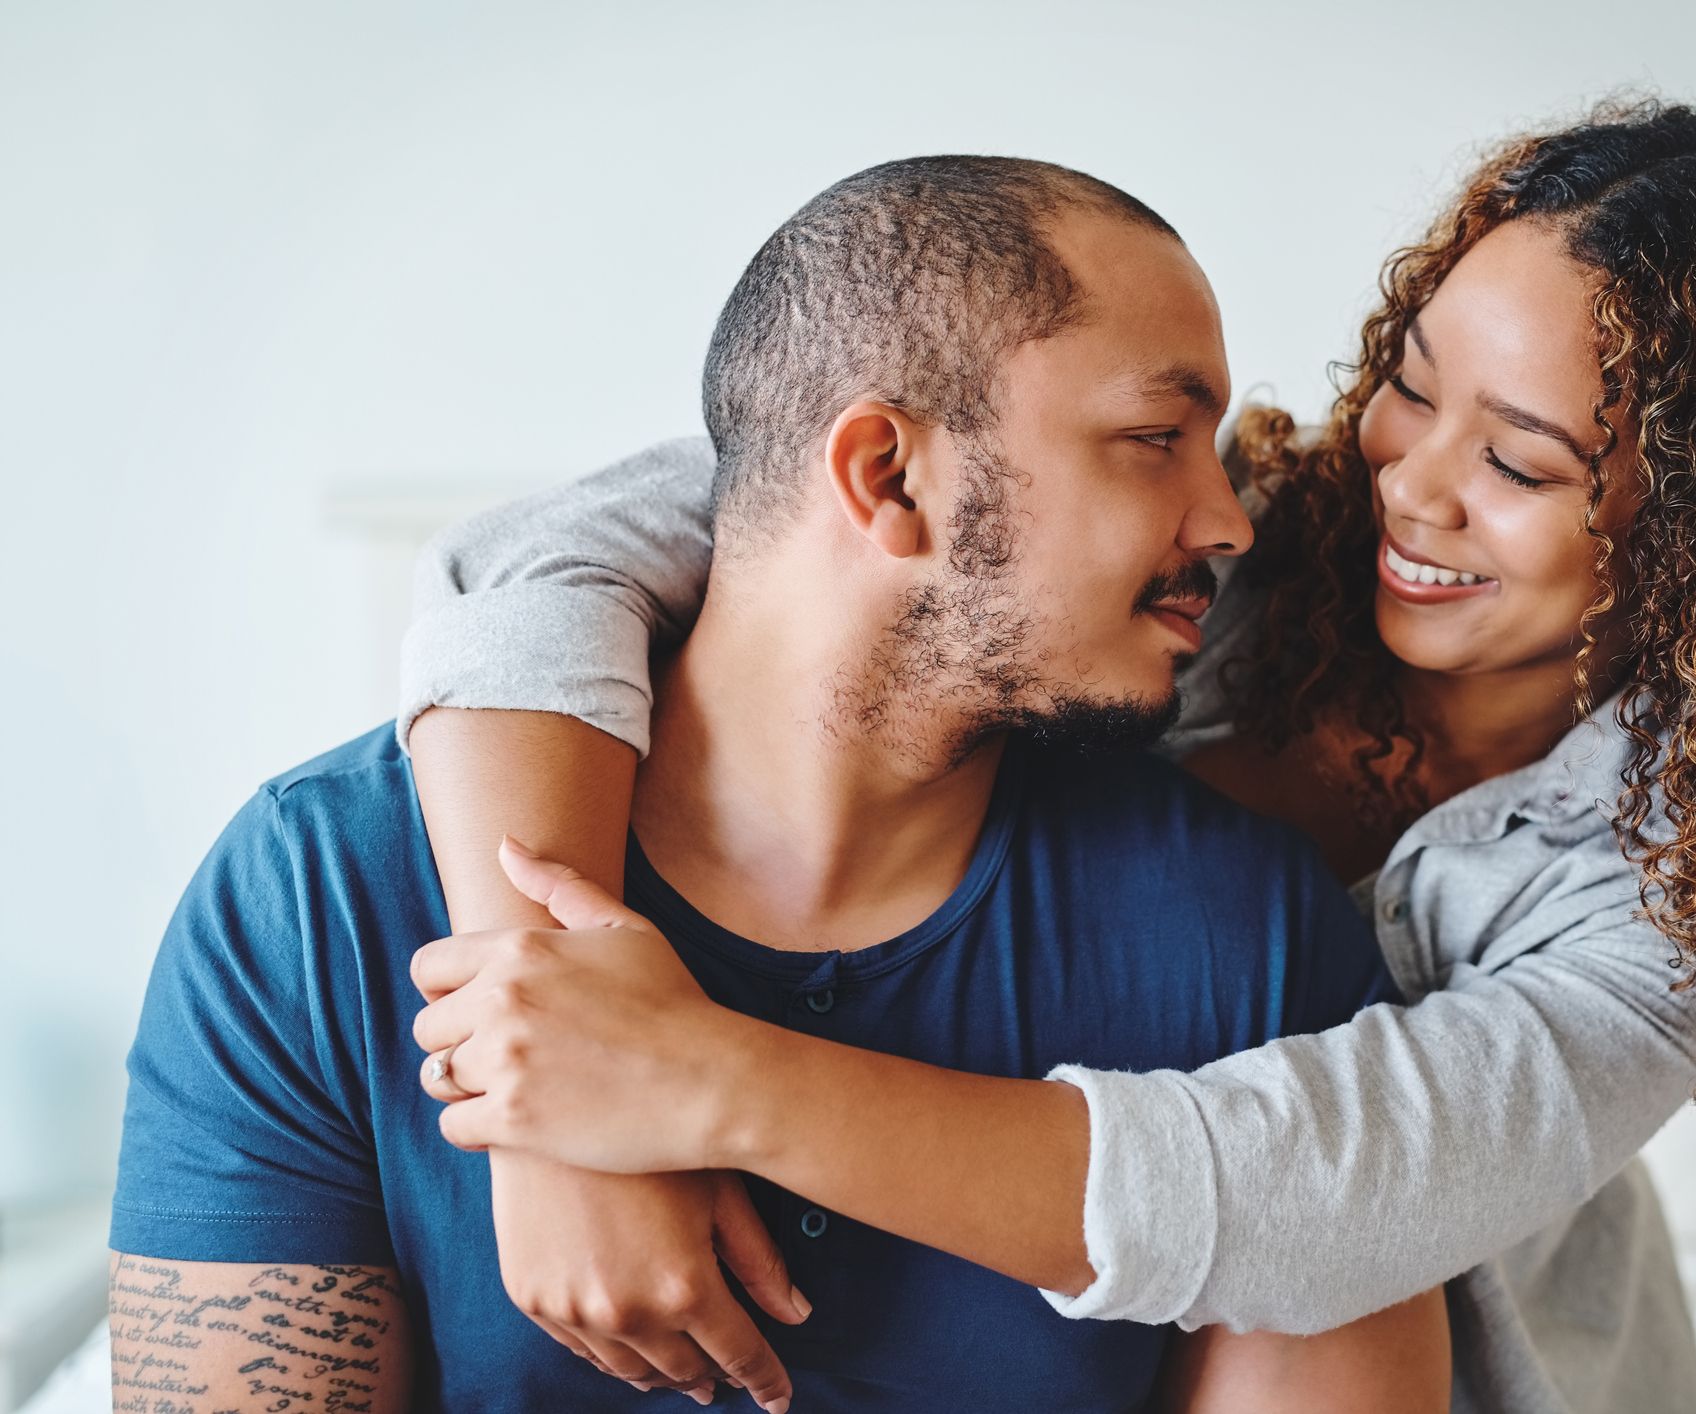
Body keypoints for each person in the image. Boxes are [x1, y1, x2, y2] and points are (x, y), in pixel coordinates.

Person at [402, 102, 1696, 1414]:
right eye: (1412, 389)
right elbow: (568, 553)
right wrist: (541, 1063)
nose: (1413, 483)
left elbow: (1296, 1204)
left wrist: (696, 1084)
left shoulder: (1662, 919)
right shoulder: (1220, 548)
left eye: (1516, 460)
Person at [108, 157, 1450, 1413]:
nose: (1223, 520)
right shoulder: (317, 896)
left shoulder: (1248, 936)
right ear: (888, 476)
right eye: (1155, 437)